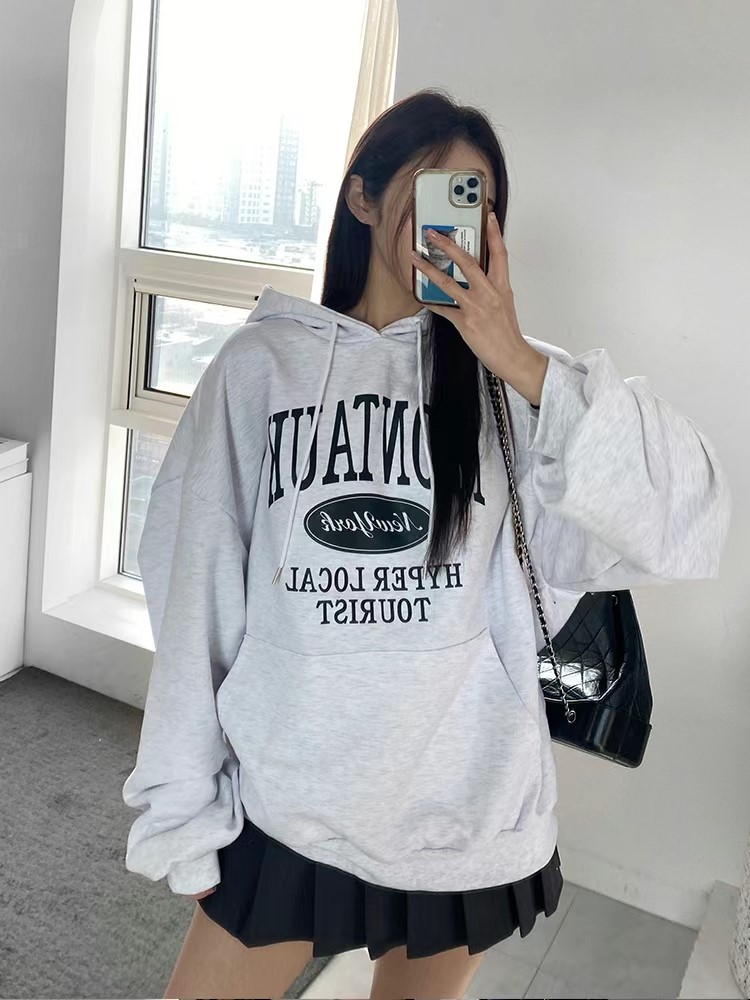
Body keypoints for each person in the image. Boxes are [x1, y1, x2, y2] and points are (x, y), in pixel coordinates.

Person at [121, 88, 732, 1000]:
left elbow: (692, 518)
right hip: (292, 804)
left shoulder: (518, 384)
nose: (455, 221)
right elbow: (194, 596)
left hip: (466, 815)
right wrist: (181, 810)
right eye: (433, 188)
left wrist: (514, 355)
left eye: (474, 201)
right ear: (363, 198)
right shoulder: (260, 369)